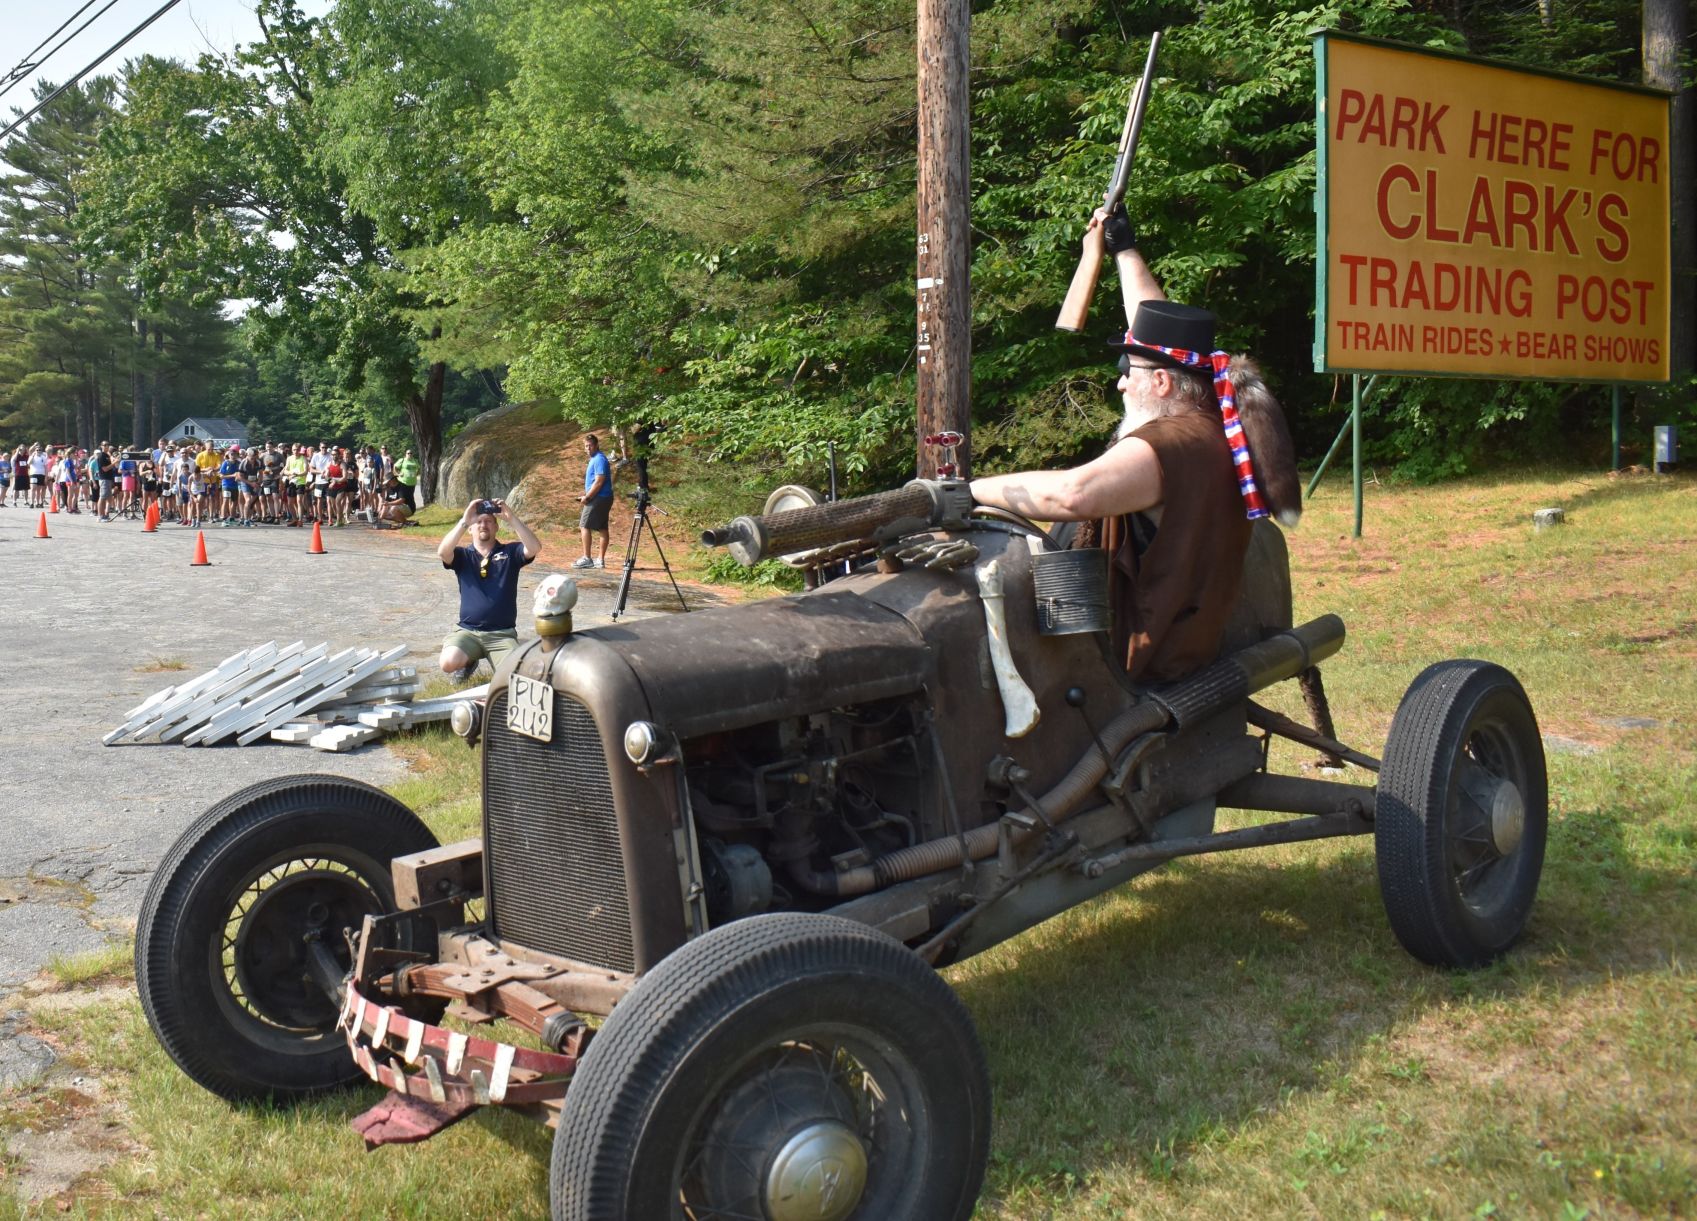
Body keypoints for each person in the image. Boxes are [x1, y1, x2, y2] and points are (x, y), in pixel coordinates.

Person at [971, 205, 1295, 685]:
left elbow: (1070, 495)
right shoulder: (1213, 424)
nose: (1121, 384)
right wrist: (1124, 248)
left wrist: (970, 489)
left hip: (1136, 654)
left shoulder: (1169, 444)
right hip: (1186, 636)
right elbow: (1154, 331)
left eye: (1129, 374)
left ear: (1162, 382)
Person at [436, 498, 542, 680]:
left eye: (488, 521)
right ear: (471, 528)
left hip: (501, 634)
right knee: (448, 662)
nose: (483, 525)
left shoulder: (510, 552)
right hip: (468, 631)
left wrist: (512, 518)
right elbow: (443, 552)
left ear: (496, 527)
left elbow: (534, 548)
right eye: (478, 522)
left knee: (516, 677)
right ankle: (468, 661)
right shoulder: (463, 555)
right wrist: (464, 520)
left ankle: (493, 660)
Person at [573, 433, 614, 570]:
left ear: (596, 445)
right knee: (602, 528)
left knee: (584, 525)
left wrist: (588, 497)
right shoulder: (596, 459)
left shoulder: (599, 459)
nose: (587, 448)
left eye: (590, 445)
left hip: (598, 498)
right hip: (603, 497)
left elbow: (599, 481)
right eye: (585, 446)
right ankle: (600, 560)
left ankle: (587, 558)